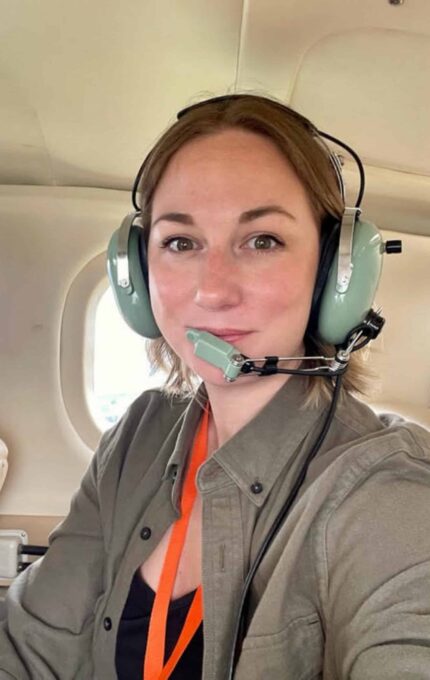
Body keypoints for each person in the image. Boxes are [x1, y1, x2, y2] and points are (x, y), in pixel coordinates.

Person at [1, 94, 430, 680]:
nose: (214, 291)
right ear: (138, 275)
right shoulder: (139, 438)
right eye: (181, 243)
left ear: (335, 272)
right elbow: (29, 648)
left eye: (262, 241)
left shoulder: (387, 490)